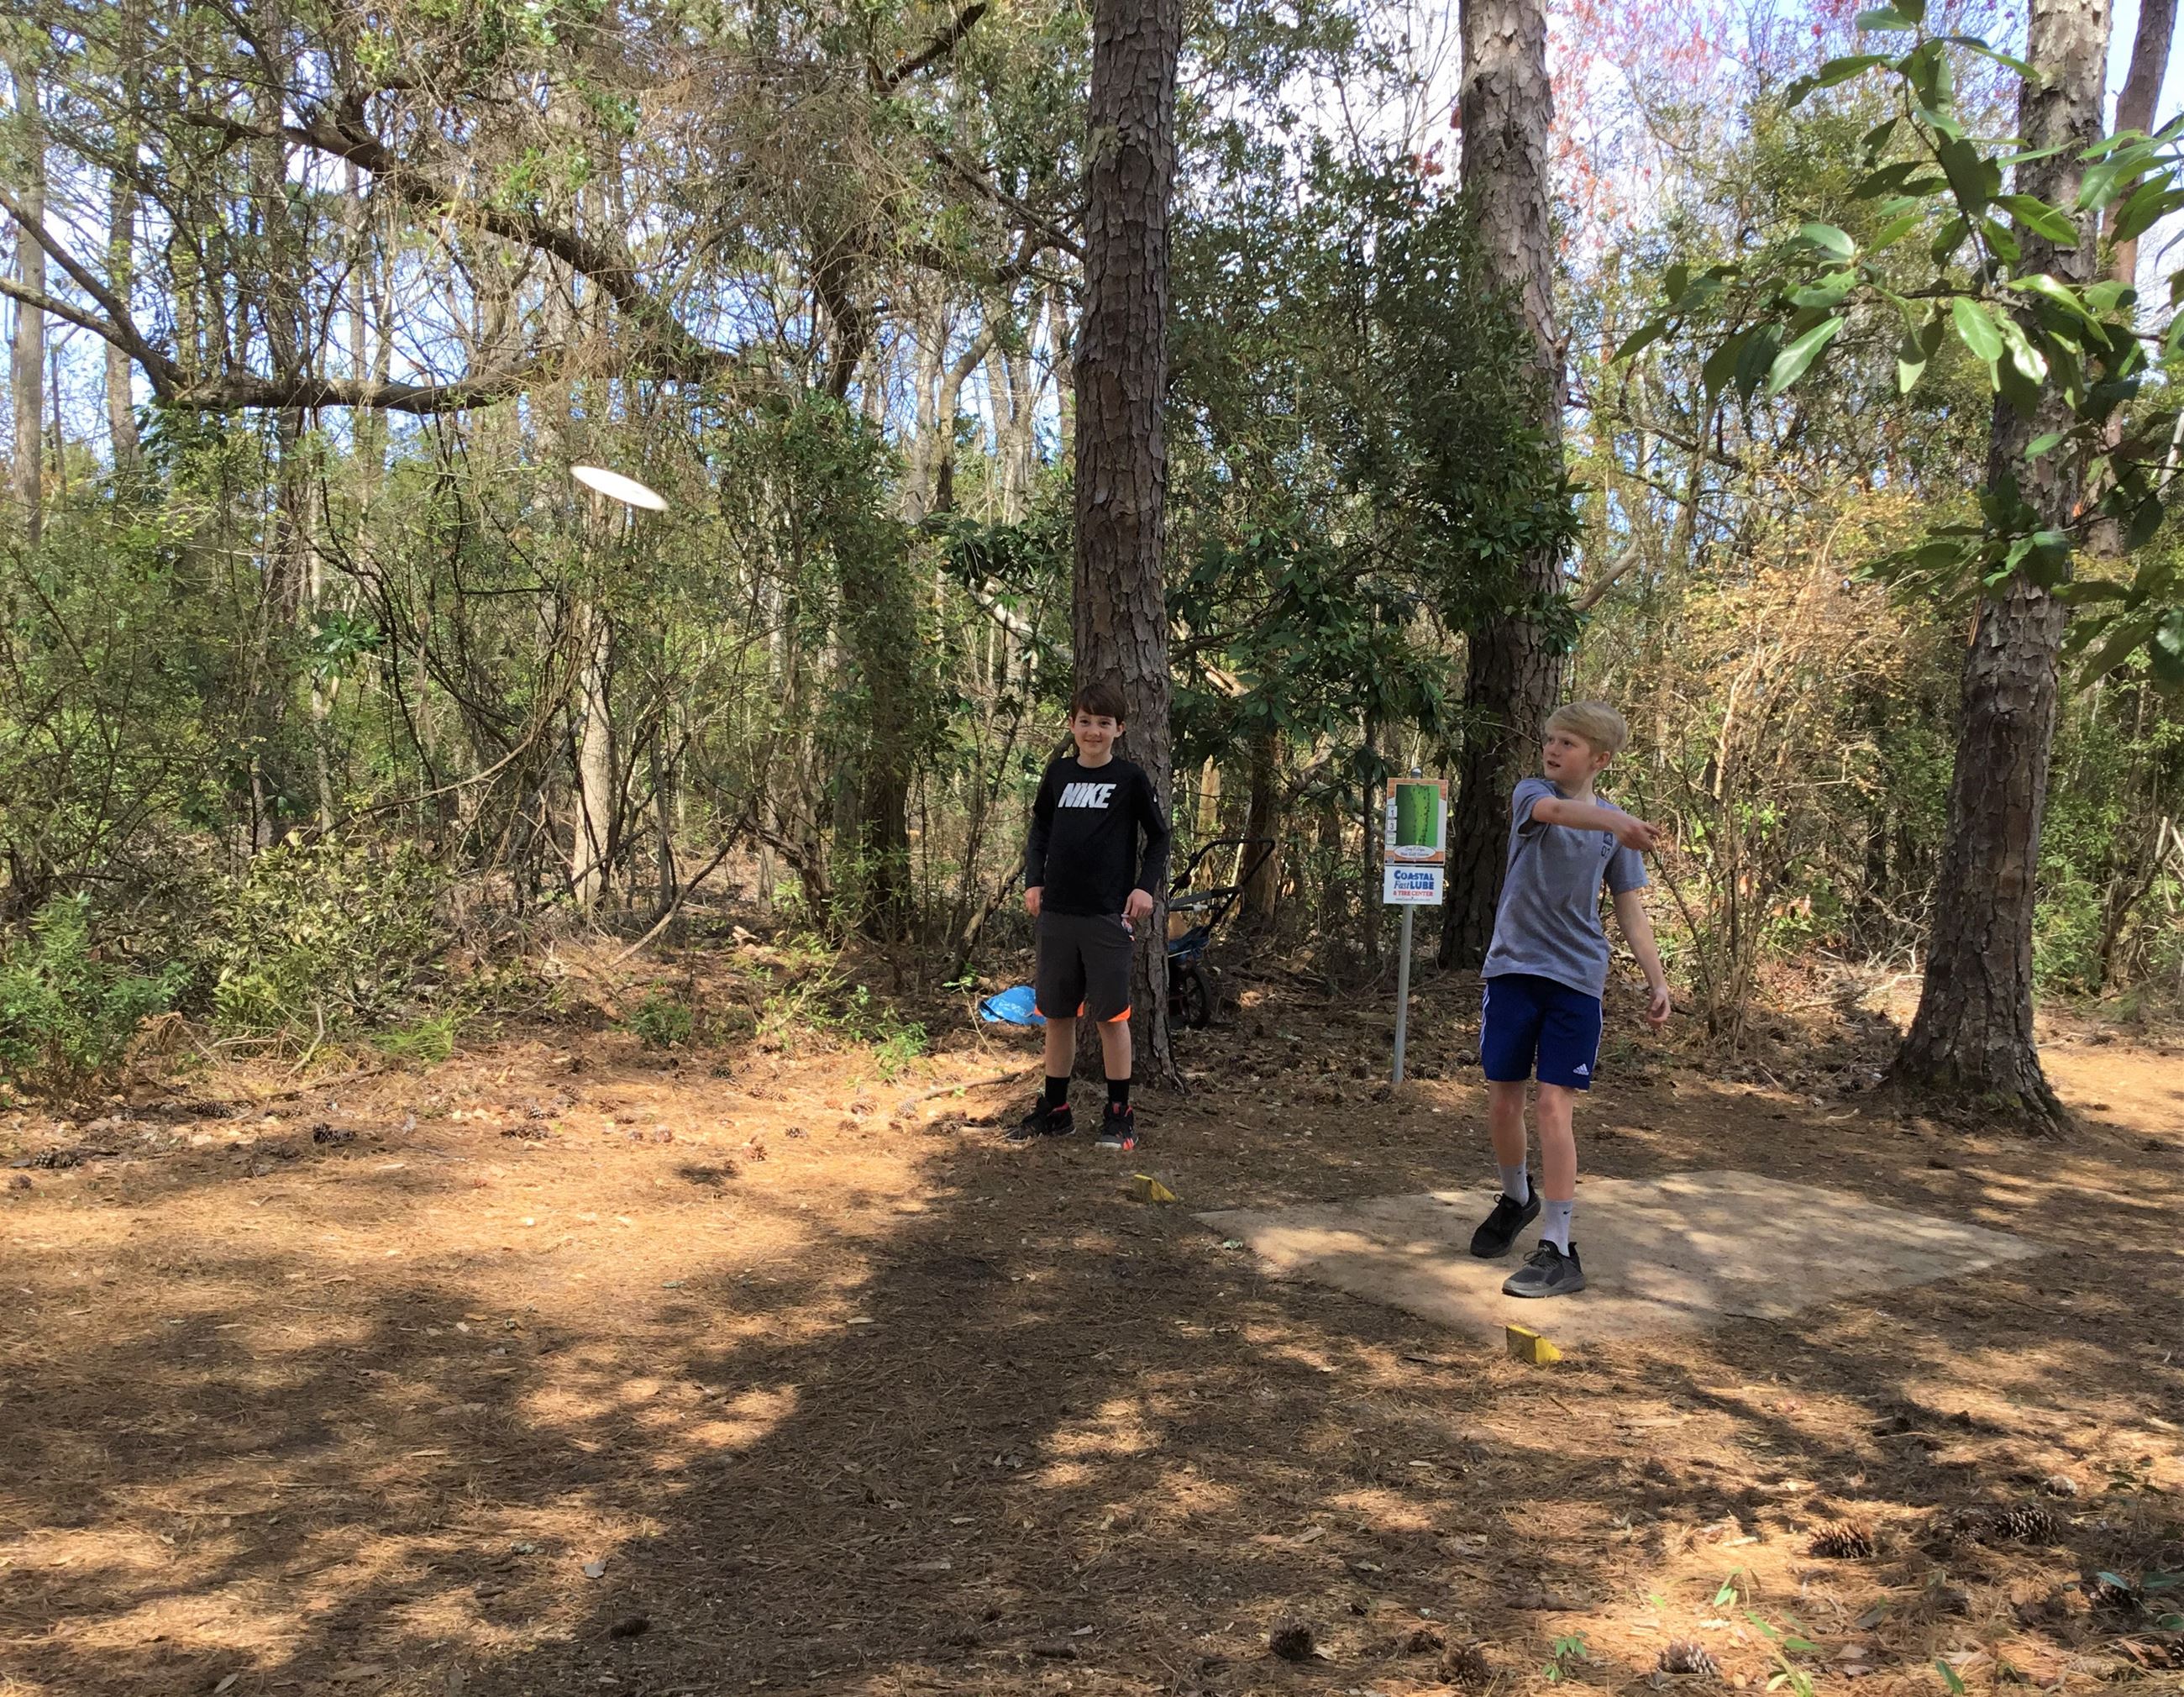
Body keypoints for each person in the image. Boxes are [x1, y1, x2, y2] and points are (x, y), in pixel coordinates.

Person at [1469, 701, 1671, 1298]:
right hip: (1513, 968)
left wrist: (1657, 981)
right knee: (1504, 1102)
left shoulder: (1616, 829)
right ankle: (1516, 1198)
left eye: (1569, 744)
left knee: (1555, 1105)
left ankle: (1558, 1246)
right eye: (1551, 740)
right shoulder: (1532, 793)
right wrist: (1616, 823)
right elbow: (1555, 812)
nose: (1553, 750)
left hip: (1577, 977)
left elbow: (1631, 912)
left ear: (1600, 758)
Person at [1011, 680, 1172, 1152]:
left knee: (1111, 1018)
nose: (1094, 731)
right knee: (1057, 1015)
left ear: (1119, 729)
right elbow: (1040, 829)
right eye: (1086, 722)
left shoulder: (1130, 779)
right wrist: (1034, 881)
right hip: (1058, 913)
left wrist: (1145, 888)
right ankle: (1056, 1110)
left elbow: (1159, 839)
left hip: (1107, 916)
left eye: (1104, 723)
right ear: (1072, 725)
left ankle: (1119, 1115)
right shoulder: (1058, 775)